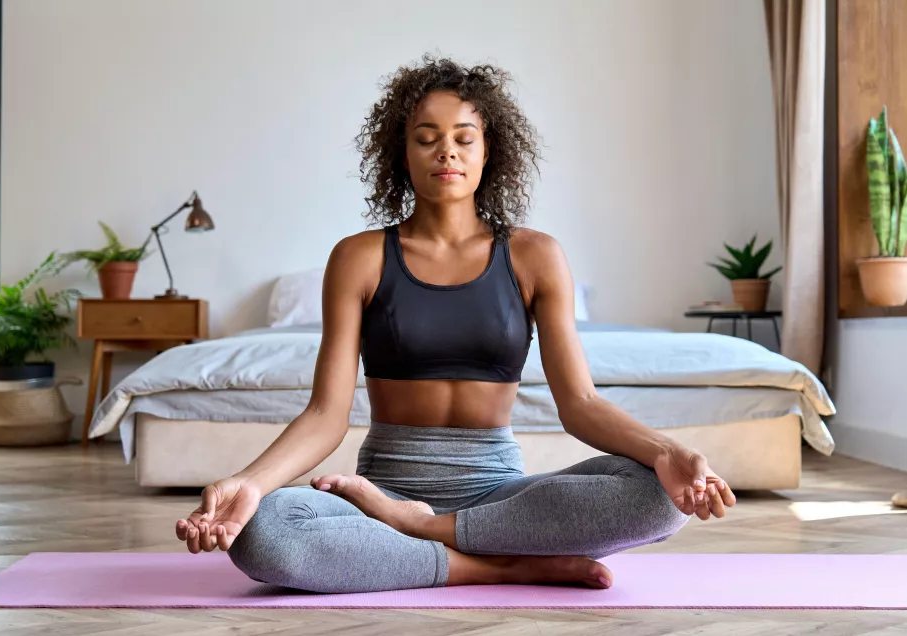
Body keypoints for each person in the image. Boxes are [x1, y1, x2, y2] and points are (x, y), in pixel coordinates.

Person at [175, 55, 736, 594]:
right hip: (381, 491)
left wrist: (665, 453)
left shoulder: (534, 255)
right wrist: (248, 483)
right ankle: (501, 568)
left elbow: (582, 404)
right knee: (265, 532)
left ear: (489, 150)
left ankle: (424, 535)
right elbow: (326, 415)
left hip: (500, 498)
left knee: (658, 497)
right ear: (403, 152)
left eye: (464, 138)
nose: (446, 151)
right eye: (426, 138)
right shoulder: (359, 257)